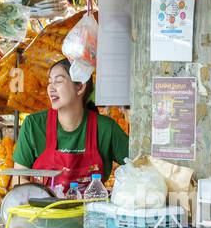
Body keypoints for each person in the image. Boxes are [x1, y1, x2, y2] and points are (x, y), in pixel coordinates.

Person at [13, 59, 129, 191]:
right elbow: (18, 179)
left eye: (58, 81)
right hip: (43, 210)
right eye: (50, 82)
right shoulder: (33, 125)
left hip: (91, 210)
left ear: (80, 87)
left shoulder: (106, 129)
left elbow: (141, 166)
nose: (51, 88)